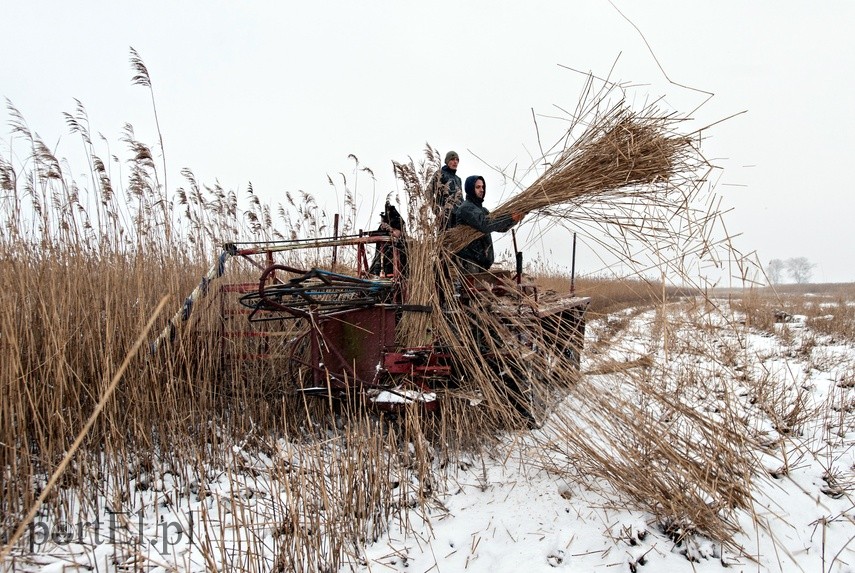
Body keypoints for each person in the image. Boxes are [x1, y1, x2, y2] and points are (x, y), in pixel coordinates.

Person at [451, 175, 523, 273]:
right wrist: (509, 217)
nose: (482, 190)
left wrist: (515, 219)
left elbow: (500, 228)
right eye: (478, 187)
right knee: (470, 288)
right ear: (470, 188)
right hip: (470, 261)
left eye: (483, 187)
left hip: (482, 261)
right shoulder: (466, 208)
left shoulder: (482, 210)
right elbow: (485, 225)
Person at [369, 202, 407, 277]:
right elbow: (377, 236)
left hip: (395, 254)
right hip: (382, 256)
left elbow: (397, 234)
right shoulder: (383, 226)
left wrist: (391, 230)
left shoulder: (397, 221)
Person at [431, 150, 463, 230]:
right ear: (447, 161)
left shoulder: (458, 179)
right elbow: (428, 193)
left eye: (457, 160)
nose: (455, 162)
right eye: (452, 159)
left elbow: (461, 199)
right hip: (445, 218)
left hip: (458, 218)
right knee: (446, 241)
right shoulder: (440, 174)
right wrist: (437, 211)